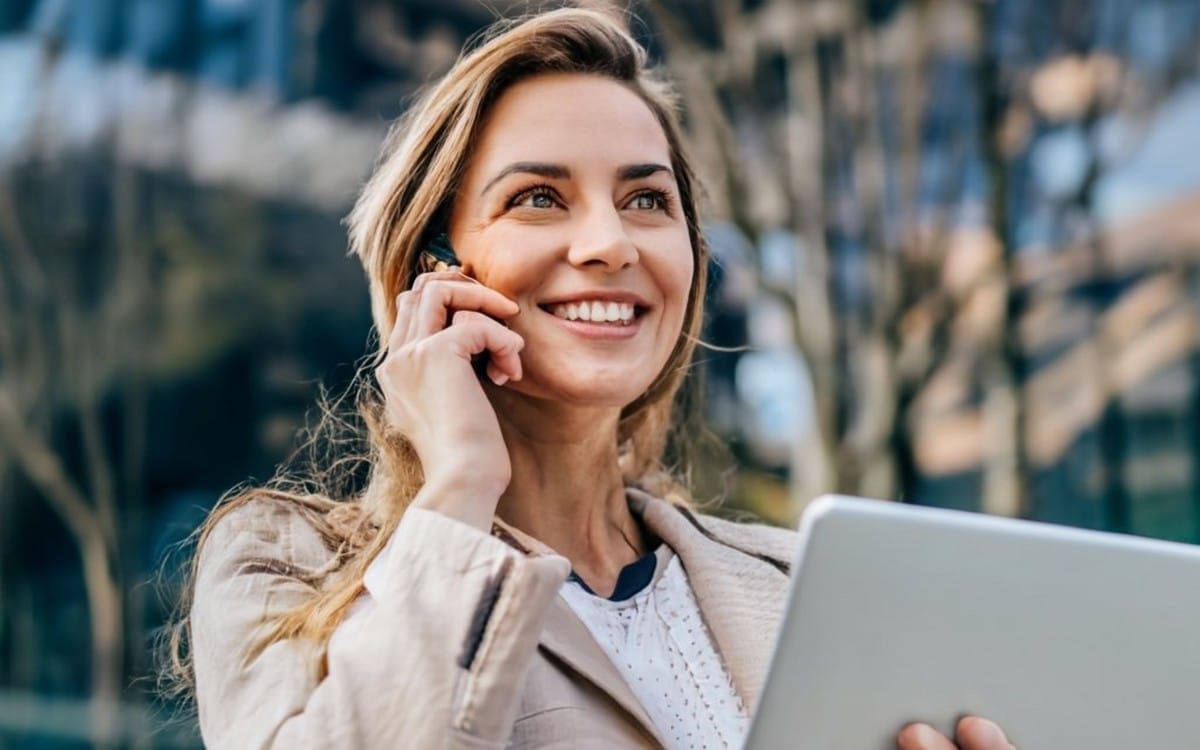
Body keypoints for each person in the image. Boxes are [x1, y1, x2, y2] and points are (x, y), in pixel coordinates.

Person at [169, 7, 1014, 749]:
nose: (612, 243)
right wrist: (462, 482)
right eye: (539, 197)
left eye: (648, 200)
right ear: (432, 271)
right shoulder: (284, 569)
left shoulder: (809, 584)